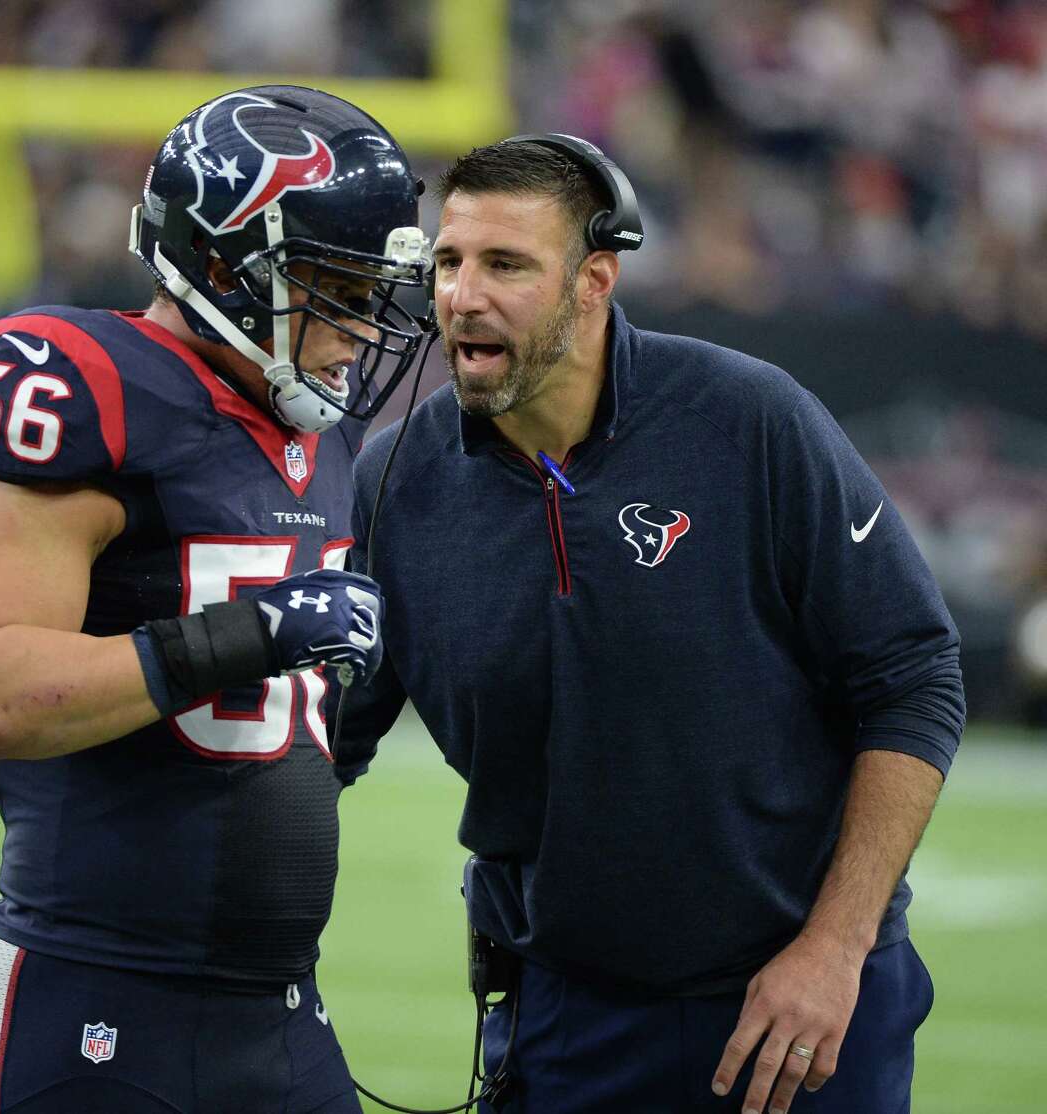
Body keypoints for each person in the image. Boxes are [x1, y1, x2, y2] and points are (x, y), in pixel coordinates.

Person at [337, 135, 965, 1114]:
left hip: (799, 999)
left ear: (594, 280)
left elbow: (913, 676)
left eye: (505, 264)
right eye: (448, 261)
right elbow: (318, 737)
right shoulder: (393, 482)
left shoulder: (750, 421)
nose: (460, 295)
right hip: (564, 1012)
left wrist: (834, 949)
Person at [0, 85, 431, 1114]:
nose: (360, 324)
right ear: (220, 266)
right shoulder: (86, 377)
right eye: (330, 284)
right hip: (87, 1002)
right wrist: (257, 634)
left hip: (280, 1017)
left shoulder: (317, 433)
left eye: (372, 291)